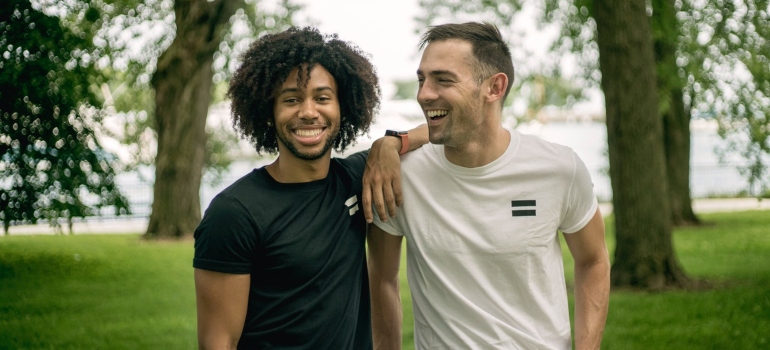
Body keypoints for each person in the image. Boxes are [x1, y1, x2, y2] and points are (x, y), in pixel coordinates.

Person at [368, 22, 610, 350]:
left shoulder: (559, 169)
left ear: (494, 88)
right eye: (422, 79)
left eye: (443, 79)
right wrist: (390, 143)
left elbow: (593, 260)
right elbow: (381, 278)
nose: (424, 94)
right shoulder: (400, 176)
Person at [192, 26, 426, 349]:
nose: (308, 112)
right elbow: (217, 342)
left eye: (322, 98)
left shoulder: (359, 177)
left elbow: (439, 132)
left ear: (343, 109)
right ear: (269, 113)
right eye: (291, 99)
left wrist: (390, 142)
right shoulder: (233, 214)